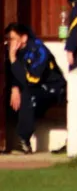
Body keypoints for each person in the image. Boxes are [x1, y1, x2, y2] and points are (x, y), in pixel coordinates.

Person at [4, 23, 67, 154]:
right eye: (8, 39)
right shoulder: (16, 51)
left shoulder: (38, 50)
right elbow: (14, 74)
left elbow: (31, 79)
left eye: (12, 38)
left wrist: (13, 59)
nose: (9, 42)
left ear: (24, 38)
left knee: (28, 94)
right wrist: (15, 88)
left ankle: (24, 140)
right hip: (34, 88)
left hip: (53, 89)